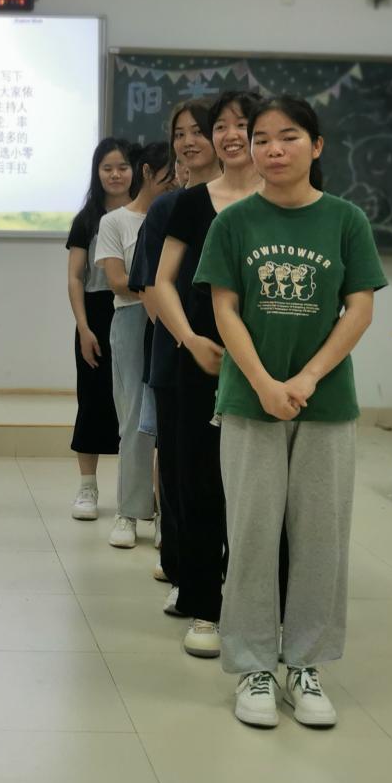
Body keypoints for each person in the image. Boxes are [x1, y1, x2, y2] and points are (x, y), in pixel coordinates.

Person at [197, 95, 387, 729]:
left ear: (317, 145)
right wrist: (263, 382)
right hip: (249, 400)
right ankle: (253, 665)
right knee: (252, 533)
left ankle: (306, 664)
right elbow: (225, 309)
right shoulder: (233, 222)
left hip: (326, 402)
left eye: (289, 137)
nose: (273, 149)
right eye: (261, 139)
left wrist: (305, 378)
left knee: (321, 537)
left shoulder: (345, 219)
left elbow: (359, 308)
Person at [153, 91, 260, 659]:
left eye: (242, 125)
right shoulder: (192, 203)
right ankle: (203, 603)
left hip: (265, 367)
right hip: (202, 360)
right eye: (221, 126)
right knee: (199, 481)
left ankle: (256, 602)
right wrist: (190, 340)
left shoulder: (282, 201)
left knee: (259, 488)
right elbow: (162, 282)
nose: (229, 135)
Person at [135, 100, 218, 601]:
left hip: (237, 361)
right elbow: (151, 288)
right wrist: (185, 338)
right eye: (179, 133)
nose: (188, 142)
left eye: (199, 131)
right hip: (177, 355)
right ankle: (182, 568)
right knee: (180, 468)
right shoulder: (167, 207)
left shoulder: (250, 207)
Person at [94, 140, 173, 548]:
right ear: (147, 172)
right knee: (133, 420)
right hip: (132, 320)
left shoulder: (179, 214)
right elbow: (116, 280)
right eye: (169, 177)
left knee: (171, 423)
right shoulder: (116, 222)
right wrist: (158, 290)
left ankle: (166, 513)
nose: (176, 184)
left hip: (175, 321)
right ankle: (129, 511)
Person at [65, 137, 134, 520]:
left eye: (122, 167)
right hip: (95, 314)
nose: (115, 174)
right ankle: (87, 488)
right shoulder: (87, 219)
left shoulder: (149, 212)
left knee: (137, 406)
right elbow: (75, 277)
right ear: (97, 173)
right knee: (92, 401)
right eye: (107, 168)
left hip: (138, 310)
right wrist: (83, 328)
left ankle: (137, 491)